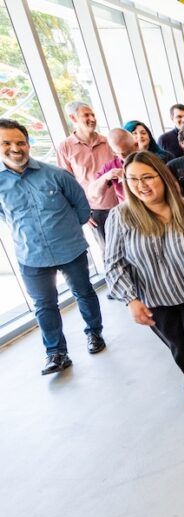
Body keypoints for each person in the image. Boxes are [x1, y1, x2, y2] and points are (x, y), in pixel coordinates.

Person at [105, 151, 184, 405]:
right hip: (155, 300)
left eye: (147, 177)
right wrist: (130, 300)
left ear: (162, 177)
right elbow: (113, 264)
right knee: (179, 348)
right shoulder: (120, 217)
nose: (141, 185)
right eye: (132, 179)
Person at [0, 118, 105, 374]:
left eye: (20, 142)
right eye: (6, 143)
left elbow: (82, 207)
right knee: (44, 306)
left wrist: (66, 232)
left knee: (84, 292)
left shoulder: (56, 174)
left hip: (70, 249)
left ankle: (94, 333)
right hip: (31, 256)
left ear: (28, 144)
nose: (16, 148)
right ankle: (56, 353)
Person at [57, 101, 116, 242]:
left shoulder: (108, 141)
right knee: (109, 253)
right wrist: (81, 212)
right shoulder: (65, 147)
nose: (93, 119)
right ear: (73, 118)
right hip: (95, 212)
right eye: (86, 115)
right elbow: (66, 185)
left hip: (120, 205)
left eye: (93, 115)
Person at [89, 128, 137, 204]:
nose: (129, 157)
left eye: (130, 151)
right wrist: (106, 176)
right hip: (128, 211)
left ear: (136, 145)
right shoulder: (112, 166)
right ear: (114, 153)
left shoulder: (149, 159)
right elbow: (93, 194)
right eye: (123, 155)